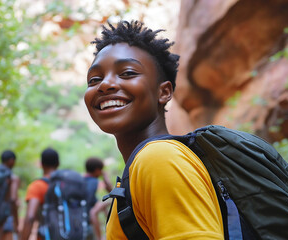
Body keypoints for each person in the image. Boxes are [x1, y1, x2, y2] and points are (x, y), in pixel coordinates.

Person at [84, 20, 224, 239]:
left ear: (164, 92)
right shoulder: (140, 167)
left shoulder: (160, 159)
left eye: (128, 73)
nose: (105, 85)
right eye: (94, 79)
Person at [20, 147, 60, 240]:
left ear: (41, 164)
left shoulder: (37, 186)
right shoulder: (65, 184)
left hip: (46, 235)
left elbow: (30, 217)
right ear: (58, 163)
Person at [84, 157, 113, 240]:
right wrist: (105, 177)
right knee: (107, 203)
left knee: (103, 204)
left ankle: (108, 229)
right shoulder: (93, 181)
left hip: (85, 207)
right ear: (97, 170)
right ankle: (100, 237)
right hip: (89, 210)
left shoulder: (84, 179)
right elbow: (112, 192)